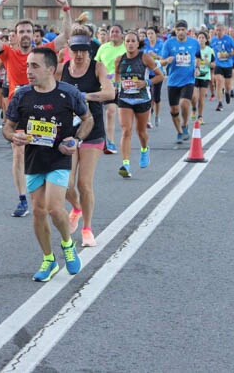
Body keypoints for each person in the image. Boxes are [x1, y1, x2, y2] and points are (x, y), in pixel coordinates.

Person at [4, 46, 92, 282]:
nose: (29, 71)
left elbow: (88, 119)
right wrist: (14, 136)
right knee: (39, 211)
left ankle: (67, 244)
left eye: (35, 66)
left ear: (51, 69)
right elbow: (7, 127)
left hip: (59, 157)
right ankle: (48, 259)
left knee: (54, 208)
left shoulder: (68, 93)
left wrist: (77, 139)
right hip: (33, 159)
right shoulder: (22, 95)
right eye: (27, 66)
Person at [0, 0, 73, 218]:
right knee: (18, 152)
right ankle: (22, 198)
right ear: (15, 36)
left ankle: (49, 191)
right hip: (18, 110)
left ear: (34, 35)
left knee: (44, 150)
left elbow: (67, 35)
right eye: (20, 31)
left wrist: (66, 9)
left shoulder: (45, 52)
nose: (24, 35)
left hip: (43, 109)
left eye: (28, 32)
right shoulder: (9, 53)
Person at [57, 28, 114, 247]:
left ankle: (87, 229)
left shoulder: (97, 68)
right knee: (66, 184)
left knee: (84, 183)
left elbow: (110, 93)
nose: (79, 55)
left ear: (89, 50)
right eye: (75, 50)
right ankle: (77, 208)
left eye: (83, 50)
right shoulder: (62, 69)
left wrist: (84, 96)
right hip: (68, 132)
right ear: (69, 49)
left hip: (92, 130)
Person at [114, 32, 164, 177]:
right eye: (127, 41)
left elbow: (161, 76)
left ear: (137, 43)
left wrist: (146, 82)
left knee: (141, 132)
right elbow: (117, 75)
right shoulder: (119, 60)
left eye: (133, 41)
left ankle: (144, 149)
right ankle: (126, 164)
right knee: (126, 130)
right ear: (124, 43)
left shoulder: (145, 58)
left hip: (142, 99)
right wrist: (115, 86)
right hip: (125, 99)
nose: (130, 43)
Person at [158, 20, 201, 143]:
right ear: (175, 31)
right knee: (174, 110)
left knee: (184, 103)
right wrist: (166, 61)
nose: (181, 32)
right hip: (173, 81)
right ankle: (179, 132)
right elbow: (160, 61)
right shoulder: (168, 44)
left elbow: (198, 56)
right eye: (178, 30)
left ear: (186, 30)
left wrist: (197, 68)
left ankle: (185, 124)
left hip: (188, 79)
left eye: (183, 30)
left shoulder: (194, 43)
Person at [94, 25, 126, 153]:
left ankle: (126, 139)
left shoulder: (126, 47)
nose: (114, 34)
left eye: (117, 31)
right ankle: (110, 142)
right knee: (110, 111)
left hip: (125, 86)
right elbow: (97, 64)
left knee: (125, 116)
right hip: (108, 86)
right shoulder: (103, 48)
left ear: (122, 34)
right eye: (112, 32)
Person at [210, 25, 234, 111]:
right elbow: (210, 50)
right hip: (218, 64)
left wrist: (228, 54)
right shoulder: (213, 40)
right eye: (217, 30)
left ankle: (227, 92)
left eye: (220, 30)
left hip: (228, 64)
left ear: (224, 31)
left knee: (227, 85)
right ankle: (220, 103)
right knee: (218, 81)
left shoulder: (229, 39)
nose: (218, 32)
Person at [193, 31, 215, 125]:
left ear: (206, 40)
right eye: (199, 38)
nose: (201, 39)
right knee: (194, 97)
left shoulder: (210, 50)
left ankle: (200, 116)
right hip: (194, 75)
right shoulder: (193, 49)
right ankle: (194, 108)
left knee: (201, 98)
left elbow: (214, 65)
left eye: (203, 38)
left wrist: (208, 63)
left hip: (205, 75)